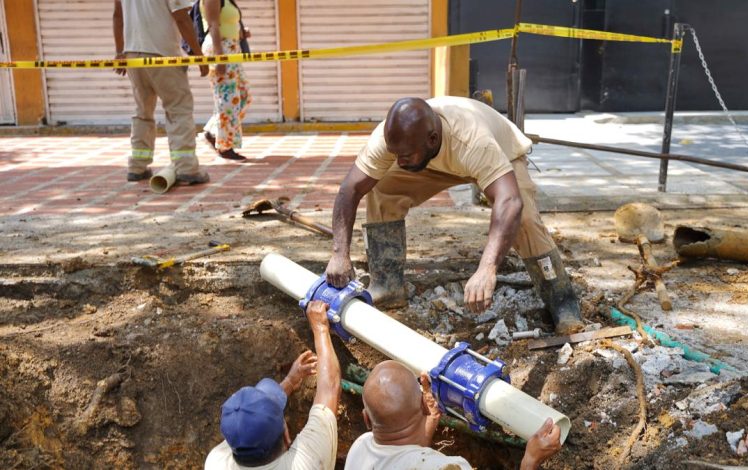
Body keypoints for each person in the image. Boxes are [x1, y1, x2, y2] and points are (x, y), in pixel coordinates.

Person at [324, 96, 583, 334]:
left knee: (522, 216)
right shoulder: (390, 140)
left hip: (501, 156)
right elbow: (350, 189)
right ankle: (387, 284)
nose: (399, 161)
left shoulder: (473, 140)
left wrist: (487, 269)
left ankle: (561, 300)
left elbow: (509, 201)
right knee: (381, 188)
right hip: (434, 162)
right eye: (395, 154)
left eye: (405, 155)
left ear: (432, 139)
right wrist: (339, 254)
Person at [345, 360, 561, 470]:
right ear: (424, 405)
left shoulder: (359, 449)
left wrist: (428, 423)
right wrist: (530, 461)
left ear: (366, 419)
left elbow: (403, 458)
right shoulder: (445, 467)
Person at [205, 300, 340, 469]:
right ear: (286, 436)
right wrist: (320, 327)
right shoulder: (306, 463)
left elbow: (248, 426)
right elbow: (329, 389)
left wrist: (290, 382)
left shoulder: (216, 462)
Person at [113, 0, 210, 184]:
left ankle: (137, 166)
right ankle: (186, 168)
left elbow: (118, 16)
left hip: (133, 55)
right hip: (162, 54)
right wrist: (198, 55)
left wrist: (120, 52)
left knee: (142, 111)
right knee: (178, 109)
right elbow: (181, 18)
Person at [201, 0, 253, 161]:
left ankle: (213, 132)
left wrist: (241, 33)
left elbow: (226, 24)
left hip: (232, 48)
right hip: (221, 49)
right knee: (228, 99)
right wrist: (220, 58)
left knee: (244, 96)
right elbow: (213, 25)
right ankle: (224, 146)